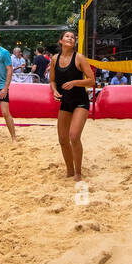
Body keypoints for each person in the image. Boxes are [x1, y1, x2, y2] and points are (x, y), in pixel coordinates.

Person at [50, 30, 93, 179]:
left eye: (73, 37)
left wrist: (75, 82)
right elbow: (52, 80)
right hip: (65, 102)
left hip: (80, 102)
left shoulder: (79, 58)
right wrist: (54, 90)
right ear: (61, 41)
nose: (71, 38)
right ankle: (69, 170)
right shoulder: (55, 59)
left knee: (74, 137)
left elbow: (92, 80)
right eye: (67, 36)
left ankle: (78, 172)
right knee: (62, 139)